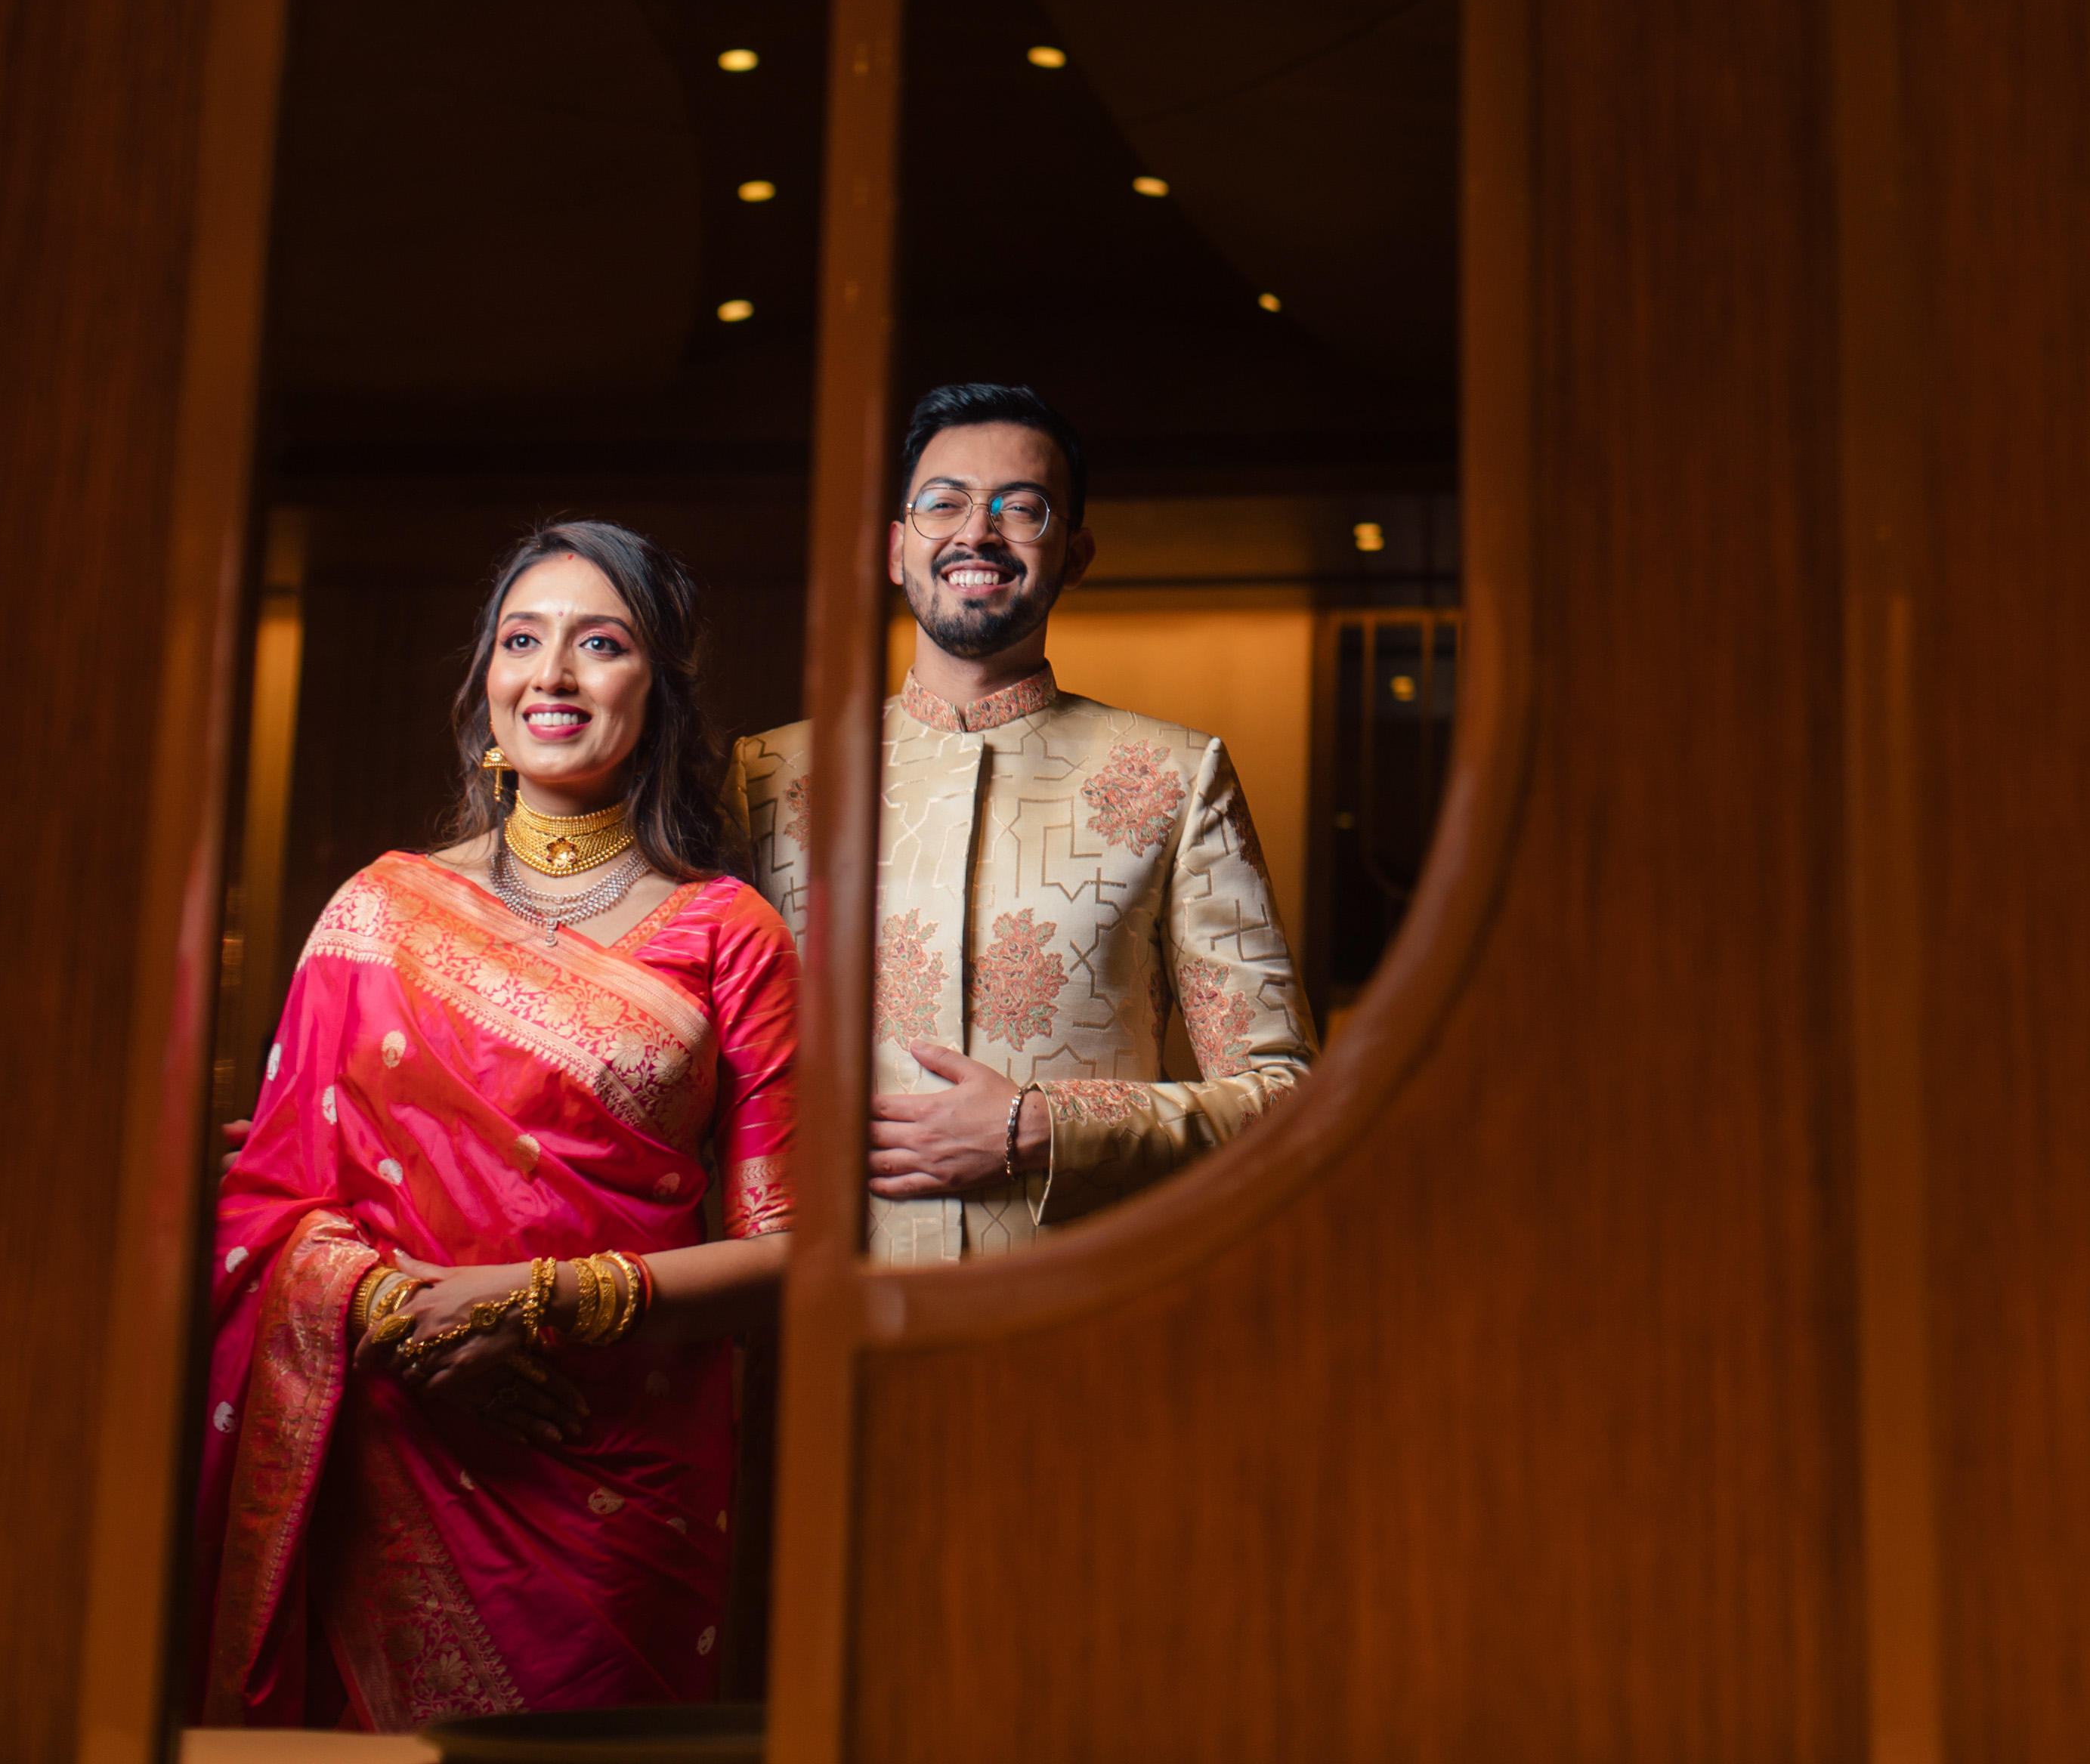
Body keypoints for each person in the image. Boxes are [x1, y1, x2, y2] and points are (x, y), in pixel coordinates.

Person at [188, 521, 796, 1732]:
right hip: (390, 1451)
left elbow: (800, 1250)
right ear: (485, 692)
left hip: (618, 1482)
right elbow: (264, 1205)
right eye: (523, 641)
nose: (553, 674)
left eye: (601, 643)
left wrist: (539, 1304)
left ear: (660, 691)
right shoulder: (379, 911)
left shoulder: (730, 933)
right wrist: (399, 1314)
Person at [737, 382, 1312, 1264]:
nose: (977, 532)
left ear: (1074, 555)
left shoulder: (1173, 775)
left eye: (1023, 508)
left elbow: (1287, 1094)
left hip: (1074, 1322)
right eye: (945, 503)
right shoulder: (769, 778)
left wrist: (1042, 1124)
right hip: (818, 1320)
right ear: (896, 548)